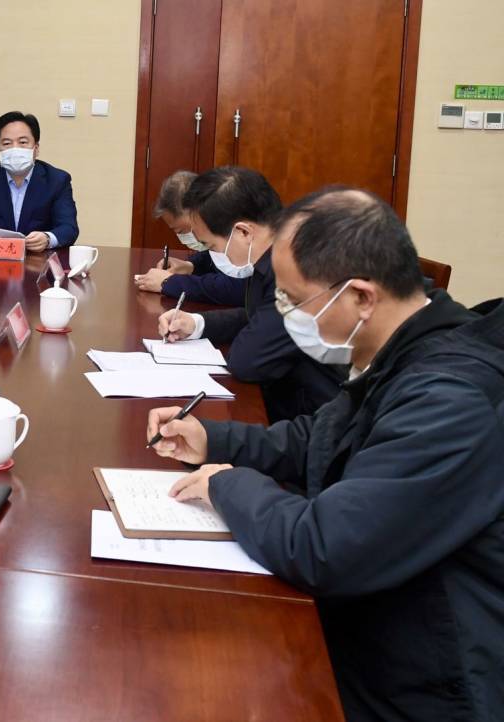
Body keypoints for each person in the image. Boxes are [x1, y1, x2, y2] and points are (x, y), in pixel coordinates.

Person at [147, 187, 504, 721]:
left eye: (292, 300)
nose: (283, 314)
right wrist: (213, 440)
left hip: (422, 681)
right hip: (375, 626)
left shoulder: (450, 398)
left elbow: (324, 547)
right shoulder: (401, 350)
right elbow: (319, 437)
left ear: (361, 297)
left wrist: (225, 483)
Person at [156, 166, 344, 421]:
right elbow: (260, 315)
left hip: (313, 418)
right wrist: (197, 323)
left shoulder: (293, 269)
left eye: (211, 246)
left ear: (243, 232)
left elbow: (247, 361)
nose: (212, 255)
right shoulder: (277, 252)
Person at [0, 111, 78, 253]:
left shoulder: (57, 180)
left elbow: (68, 228)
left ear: (36, 148)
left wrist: (47, 238)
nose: (15, 149)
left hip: (38, 260)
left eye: (23, 142)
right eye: (7, 143)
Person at [132, 170, 244, 306]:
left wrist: (169, 282)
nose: (195, 236)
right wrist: (190, 266)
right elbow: (215, 258)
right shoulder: (219, 233)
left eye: (182, 230)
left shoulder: (240, 232)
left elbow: (237, 289)